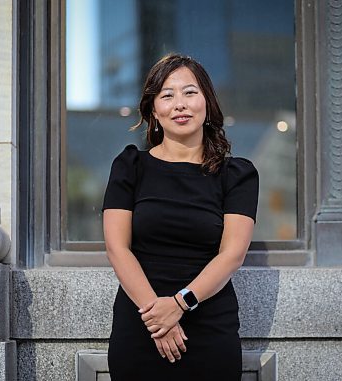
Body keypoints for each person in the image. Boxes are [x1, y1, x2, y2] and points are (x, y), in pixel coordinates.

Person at [102, 53, 259, 380]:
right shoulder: (130, 166)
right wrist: (158, 318)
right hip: (142, 326)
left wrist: (179, 304)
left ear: (207, 103)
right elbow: (118, 248)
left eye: (190, 92)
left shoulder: (236, 175)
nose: (180, 104)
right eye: (167, 95)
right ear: (154, 110)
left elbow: (232, 254)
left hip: (209, 328)